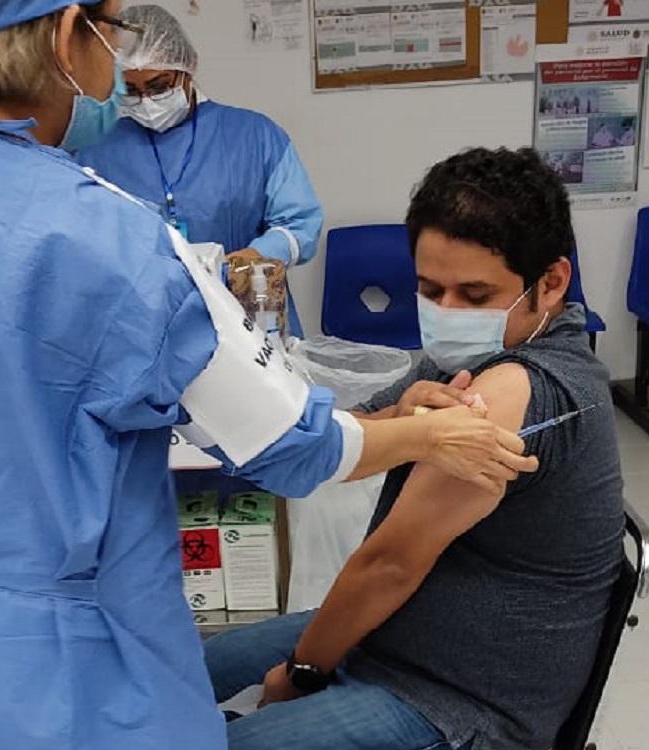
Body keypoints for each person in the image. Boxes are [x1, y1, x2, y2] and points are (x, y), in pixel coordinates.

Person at [0, 3, 538, 748]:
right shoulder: (100, 234)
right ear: (67, 35)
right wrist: (428, 432)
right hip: (52, 670)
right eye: (112, 29)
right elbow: (292, 447)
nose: (120, 61)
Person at [205, 147, 626, 750]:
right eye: (430, 289)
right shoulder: (467, 358)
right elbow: (351, 446)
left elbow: (388, 565)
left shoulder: (518, 388)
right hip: (396, 640)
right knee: (178, 675)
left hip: (459, 698)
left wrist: (300, 675)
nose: (447, 313)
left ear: (551, 282)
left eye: (476, 296)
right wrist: (400, 422)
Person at [77, 5, 321, 337]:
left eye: (159, 85)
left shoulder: (254, 136)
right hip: (149, 323)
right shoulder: (95, 148)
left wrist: (254, 256)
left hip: (246, 311)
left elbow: (300, 223)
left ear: (187, 70)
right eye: (131, 90)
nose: (146, 101)